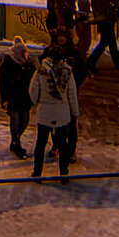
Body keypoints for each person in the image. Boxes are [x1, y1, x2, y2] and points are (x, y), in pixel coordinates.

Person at [29, 50, 79, 182]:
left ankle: (37, 173)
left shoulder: (40, 71)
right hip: (62, 113)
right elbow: (72, 95)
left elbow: (33, 92)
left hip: (45, 112)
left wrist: (36, 101)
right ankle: (64, 174)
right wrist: (75, 112)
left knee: (41, 143)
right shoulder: (67, 72)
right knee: (63, 144)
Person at [0, 40, 36, 158]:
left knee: (24, 122)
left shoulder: (29, 64)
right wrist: (4, 99)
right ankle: (16, 143)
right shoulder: (7, 64)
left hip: (25, 98)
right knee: (15, 121)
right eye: (23, 52)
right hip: (12, 98)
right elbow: (3, 83)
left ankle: (16, 141)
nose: (25, 54)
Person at [89, 0, 119, 71]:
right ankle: (91, 62)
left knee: (108, 42)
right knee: (107, 42)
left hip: (103, 21)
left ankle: (117, 63)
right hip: (108, 21)